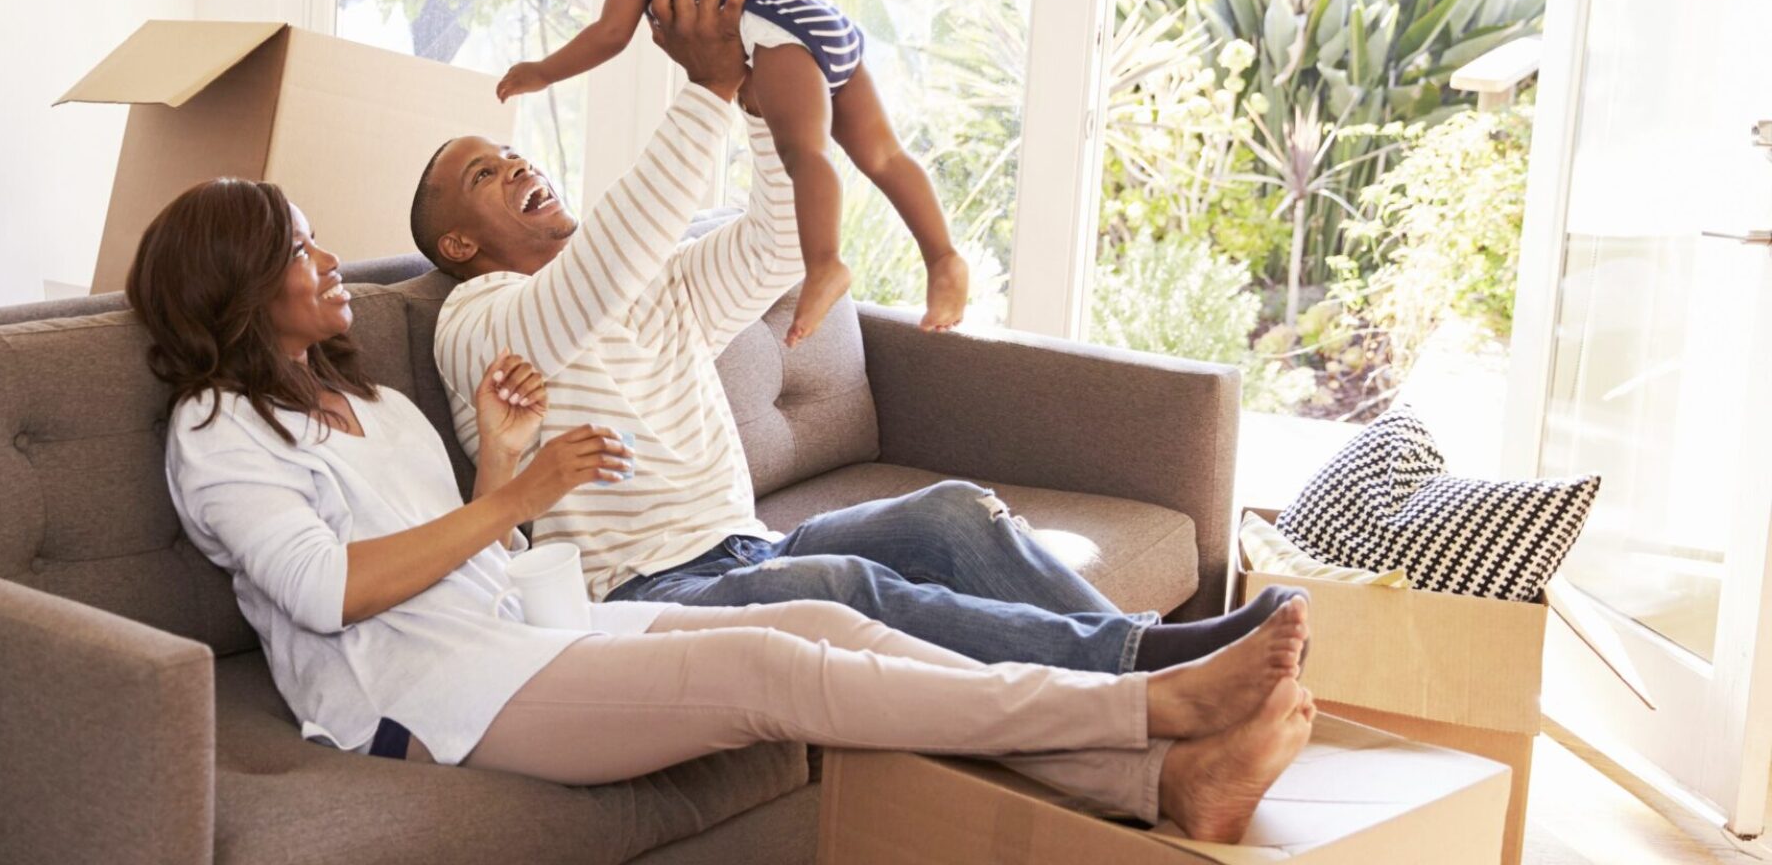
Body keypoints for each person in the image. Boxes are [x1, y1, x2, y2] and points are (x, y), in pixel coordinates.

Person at [125, 177, 1316, 839]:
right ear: (234, 286)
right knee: (768, 671)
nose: (328, 259)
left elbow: (470, 555)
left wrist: (501, 463)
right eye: (297, 245)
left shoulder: (368, 402)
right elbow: (335, 592)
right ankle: (1138, 703)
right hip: (425, 698)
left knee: (832, 632)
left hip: (516, 637)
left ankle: (1160, 785)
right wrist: (521, 495)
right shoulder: (217, 435)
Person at [418, 0, 1307, 677]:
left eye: (513, 153)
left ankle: (1157, 658)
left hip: (744, 546)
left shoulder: (650, 280)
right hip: (643, 595)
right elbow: (590, 287)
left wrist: (765, 108)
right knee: (844, 587)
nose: (520, 168)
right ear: (458, 242)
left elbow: (773, 246)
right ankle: (1149, 673)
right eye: (483, 175)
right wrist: (708, 87)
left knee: (953, 512)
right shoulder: (479, 320)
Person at [494, 0, 968, 344]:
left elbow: (612, 32)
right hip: (823, 21)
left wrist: (542, 71)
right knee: (885, 154)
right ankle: (942, 259)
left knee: (806, 151)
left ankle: (825, 265)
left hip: (779, 37)